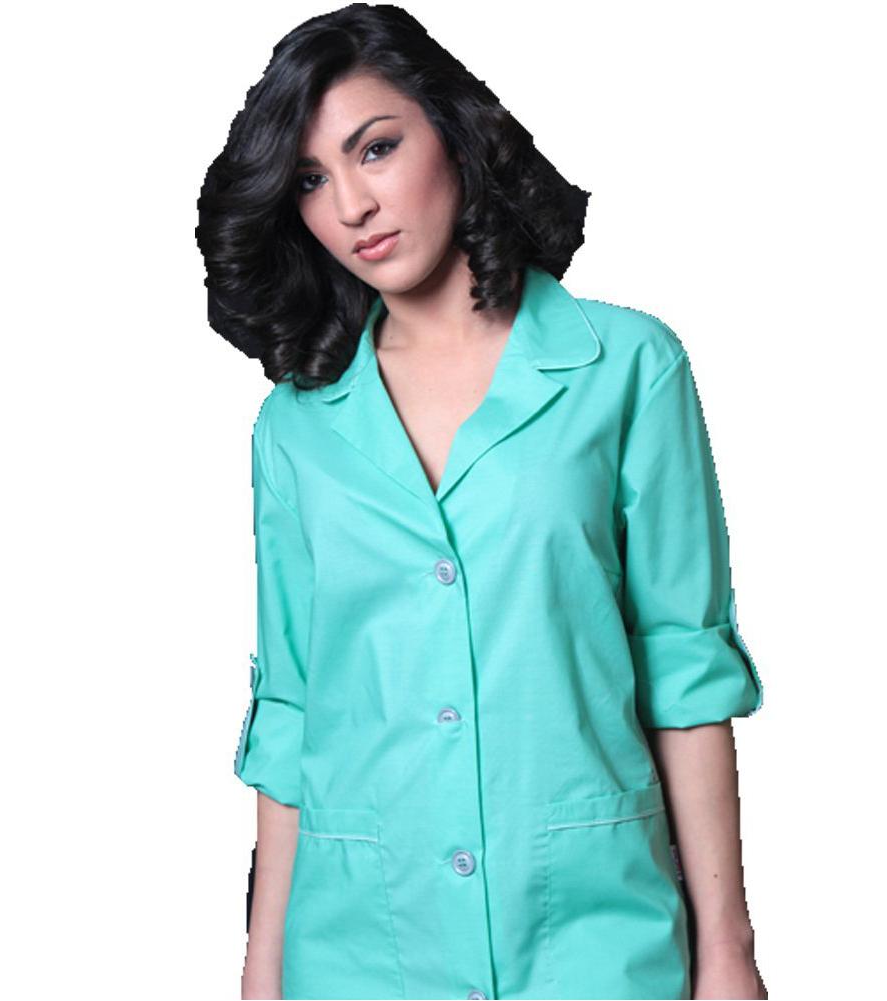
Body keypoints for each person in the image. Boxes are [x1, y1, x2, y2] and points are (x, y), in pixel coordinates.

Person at [196, 5, 767, 999]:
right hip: (357, 950)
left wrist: (727, 954)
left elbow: (683, 673)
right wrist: (260, 973)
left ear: (453, 133)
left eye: (375, 148)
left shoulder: (627, 366)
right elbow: (293, 707)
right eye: (310, 179)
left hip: (594, 940)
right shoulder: (294, 428)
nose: (352, 206)